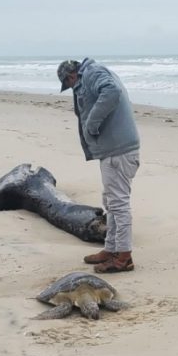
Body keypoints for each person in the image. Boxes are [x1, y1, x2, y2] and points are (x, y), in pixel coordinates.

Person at [57, 58, 140, 273]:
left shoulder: (92, 74)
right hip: (114, 150)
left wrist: (92, 123)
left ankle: (123, 258)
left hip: (118, 151)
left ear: (71, 76)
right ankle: (112, 249)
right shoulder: (93, 73)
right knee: (111, 203)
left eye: (69, 85)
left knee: (118, 204)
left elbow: (111, 92)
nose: (72, 89)